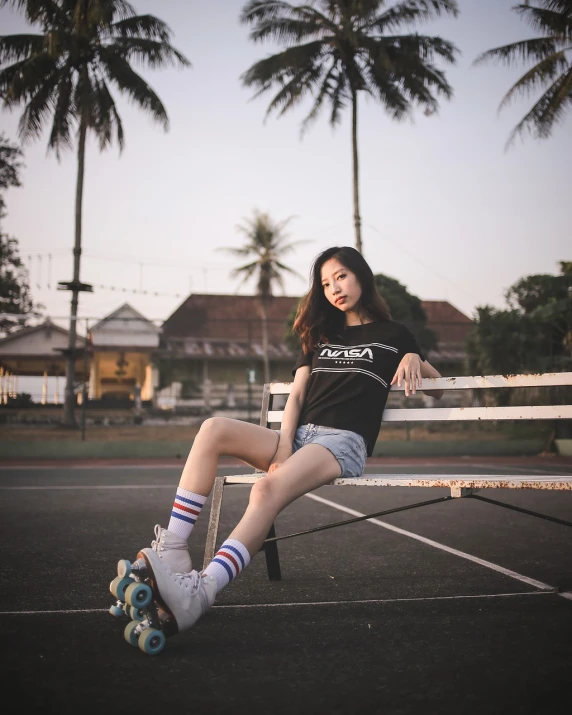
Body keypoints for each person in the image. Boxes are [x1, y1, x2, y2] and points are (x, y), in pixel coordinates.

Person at [137, 246, 444, 634]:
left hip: (342, 442)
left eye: (342, 276)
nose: (335, 288)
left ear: (361, 276)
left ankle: (201, 591)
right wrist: (283, 443)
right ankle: (175, 551)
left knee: (265, 492)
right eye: (326, 283)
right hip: (299, 436)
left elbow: (437, 391)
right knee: (212, 429)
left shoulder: (395, 335)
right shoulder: (322, 335)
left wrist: (415, 357)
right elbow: (297, 396)